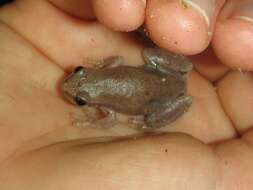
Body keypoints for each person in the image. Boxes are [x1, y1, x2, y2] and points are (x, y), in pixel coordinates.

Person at [0, 0, 252, 189]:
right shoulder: (103, 82)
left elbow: (110, 114)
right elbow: (117, 64)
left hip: (165, 94)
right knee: (149, 57)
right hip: (167, 76)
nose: (70, 82)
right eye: (82, 98)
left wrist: (90, 118)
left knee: (150, 115)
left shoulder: (105, 105)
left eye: (79, 72)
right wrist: (99, 72)